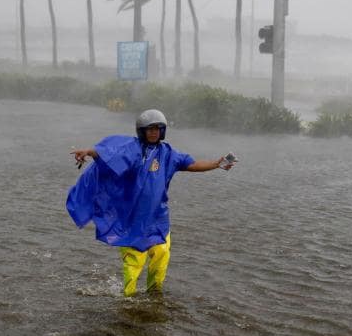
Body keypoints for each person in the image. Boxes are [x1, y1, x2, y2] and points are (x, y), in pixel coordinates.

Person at [66, 109, 234, 297]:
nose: (154, 132)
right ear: (142, 130)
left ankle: (154, 296)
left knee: (161, 257)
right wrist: (89, 152)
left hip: (158, 218)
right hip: (132, 220)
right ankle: (127, 300)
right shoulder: (132, 149)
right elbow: (110, 155)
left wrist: (216, 164)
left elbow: (192, 164)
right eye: (150, 129)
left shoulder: (168, 154)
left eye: (158, 128)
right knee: (134, 263)